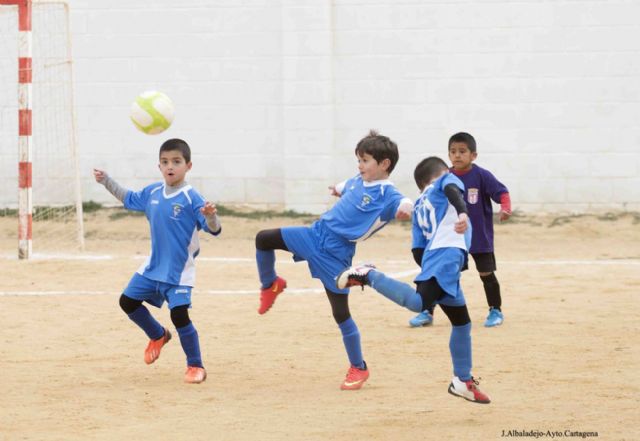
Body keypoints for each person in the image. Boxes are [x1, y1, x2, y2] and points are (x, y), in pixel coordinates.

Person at [254, 130, 413, 391]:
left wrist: (407, 207)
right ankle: (270, 284)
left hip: (336, 252)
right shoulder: (358, 180)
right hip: (315, 233)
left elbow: (403, 201)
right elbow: (347, 187)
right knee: (264, 238)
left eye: (365, 160)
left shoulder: (388, 193)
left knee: (340, 313)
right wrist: (338, 189)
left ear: (384, 164)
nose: (359, 166)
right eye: (359, 160)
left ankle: (359, 367)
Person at [336, 156, 491, 403]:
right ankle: (368, 275)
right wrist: (462, 213)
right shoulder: (445, 183)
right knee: (419, 303)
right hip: (446, 258)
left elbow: (417, 250)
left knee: (461, 322)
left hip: (437, 261)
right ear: (441, 174)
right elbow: (453, 190)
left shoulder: (420, 204)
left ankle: (462, 380)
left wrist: (434, 274)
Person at [93, 138, 221, 384]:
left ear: (188, 166)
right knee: (127, 302)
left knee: (180, 315)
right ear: (159, 166)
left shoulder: (192, 197)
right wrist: (106, 181)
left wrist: (212, 216)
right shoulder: (152, 192)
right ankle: (157, 334)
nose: (170, 166)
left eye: (176, 161)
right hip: (153, 266)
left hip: (179, 271)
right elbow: (128, 198)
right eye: (165, 162)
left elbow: (213, 229)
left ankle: (195, 366)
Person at [409, 132, 511, 328]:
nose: (457, 155)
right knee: (440, 274)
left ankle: (495, 309)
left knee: (486, 274)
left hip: (479, 237)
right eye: (453, 151)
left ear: (473, 155)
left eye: (462, 151)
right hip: (452, 238)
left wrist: (505, 207)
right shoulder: (443, 178)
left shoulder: (482, 175)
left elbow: (501, 192)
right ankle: (427, 311)